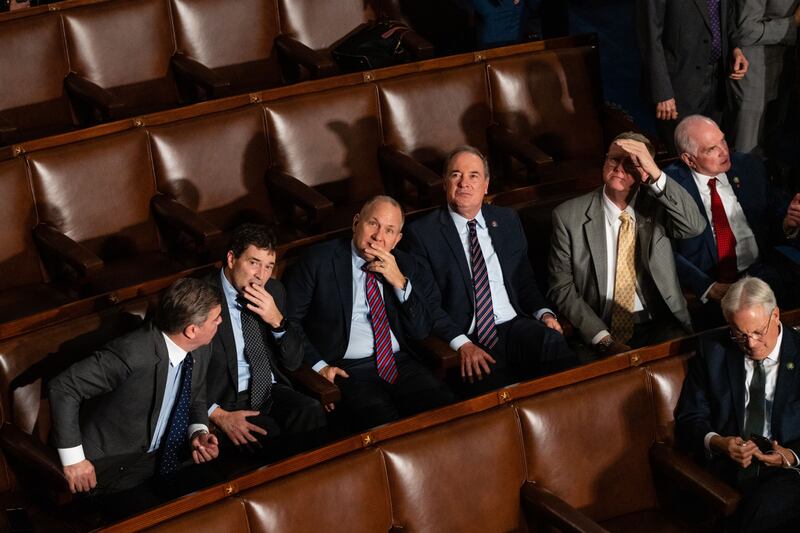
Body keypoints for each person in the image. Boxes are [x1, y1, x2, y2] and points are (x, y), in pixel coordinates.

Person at [403, 146, 575, 394]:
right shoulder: (422, 233)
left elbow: (524, 280)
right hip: (469, 334)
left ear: (486, 185)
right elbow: (429, 305)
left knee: (554, 346)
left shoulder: (506, 220)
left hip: (513, 324)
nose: (464, 183)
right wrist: (461, 344)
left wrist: (544, 313)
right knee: (494, 388)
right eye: (455, 175)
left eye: (473, 176)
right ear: (444, 184)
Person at [284, 195, 454, 431]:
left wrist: (400, 283)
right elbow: (289, 322)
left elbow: (421, 328)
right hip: (347, 368)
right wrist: (319, 365)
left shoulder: (407, 265)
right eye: (373, 224)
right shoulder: (318, 260)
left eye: (389, 230)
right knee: (383, 425)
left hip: (400, 362)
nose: (378, 236)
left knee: (445, 416)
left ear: (397, 240)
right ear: (356, 223)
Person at [49, 278, 222, 496]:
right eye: (215, 319)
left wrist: (198, 432)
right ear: (191, 330)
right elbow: (64, 387)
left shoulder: (201, 347)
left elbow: (195, 396)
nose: (220, 322)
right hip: (114, 468)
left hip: (168, 457)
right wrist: (74, 461)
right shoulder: (132, 352)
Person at [548, 132, 706, 355]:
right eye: (614, 159)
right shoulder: (568, 217)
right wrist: (602, 339)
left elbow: (694, 226)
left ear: (645, 170)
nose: (619, 168)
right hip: (601, 327)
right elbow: (561, 287)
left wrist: (656, 175)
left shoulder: (657, 206)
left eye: (631, 163)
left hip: (659, 322)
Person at [676, 277, 800, 532]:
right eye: (740, 335)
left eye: (758, 332)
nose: (751, 344)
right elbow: (690, 417)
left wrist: (789, 455)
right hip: (729, 465)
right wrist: (718, 442)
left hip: (788, 469)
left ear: (775, 315)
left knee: (761, 511)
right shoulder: (712, 351)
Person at [205, 224, 326, 461]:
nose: (261, 275)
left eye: (269, 266)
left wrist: (277, 321)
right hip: (228, 398)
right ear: (231, 259)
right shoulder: (201, 296)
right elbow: (180, 370)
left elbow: (292, 362)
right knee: (272, 437)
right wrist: (216, 414)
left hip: (270, 389)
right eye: (253, 263)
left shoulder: (273, 290)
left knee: (310, 411)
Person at [666, 115, 800, 327]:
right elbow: (662, 250)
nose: (724, 151)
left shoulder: (748, 167)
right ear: (689, 159)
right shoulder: (670, 187)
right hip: (712, 285)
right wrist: (707, 287)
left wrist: (787, 223)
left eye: (723, 141)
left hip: (761, 274)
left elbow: (772, 216)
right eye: (711, 149)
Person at [636, 0, 749, 153]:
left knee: (711, 153)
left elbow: (727, 15)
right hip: (678, 87)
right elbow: (650, 36)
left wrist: (736, 48)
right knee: (682, 156)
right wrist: (662, 91)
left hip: (717, 83)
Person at [730, 1, 800, 155]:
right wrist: (793, 23)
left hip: (786, 74)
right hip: (755, 75)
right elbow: (746, 31)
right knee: (747, 154)